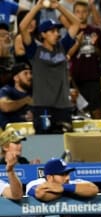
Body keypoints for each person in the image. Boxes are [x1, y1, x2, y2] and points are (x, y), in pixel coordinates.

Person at [20, 0, 80, 134]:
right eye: (52, 31)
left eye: (57, 31)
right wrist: (38, 6)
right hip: (42, 106)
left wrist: (59, 6)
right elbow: (22, 26)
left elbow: (76, 23)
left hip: (63, 106)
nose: (57, 34)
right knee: (44, 143)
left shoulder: (62, 47)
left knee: (64, 143)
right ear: (43, 35)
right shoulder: (35, 51)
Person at [67, 0, 101, 119]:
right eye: (78, 12)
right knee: (79, 113)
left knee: (96, 111)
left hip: (92, 78)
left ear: (89, 13)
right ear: (73, 13)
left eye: (84, 11)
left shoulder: (96, 31)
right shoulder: (70, 32)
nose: (81, 14)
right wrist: (78, 44)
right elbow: (67, 55)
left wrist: (94, 46)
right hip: (76, 79)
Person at [0, 62, 33, 129]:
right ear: (16, 78)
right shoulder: (6, 90)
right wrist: (26, 100)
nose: (30, 76)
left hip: (34, 134)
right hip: (11, 135)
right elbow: (5, 107)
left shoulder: (34, 92)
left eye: (30, 73)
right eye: (25, 73)